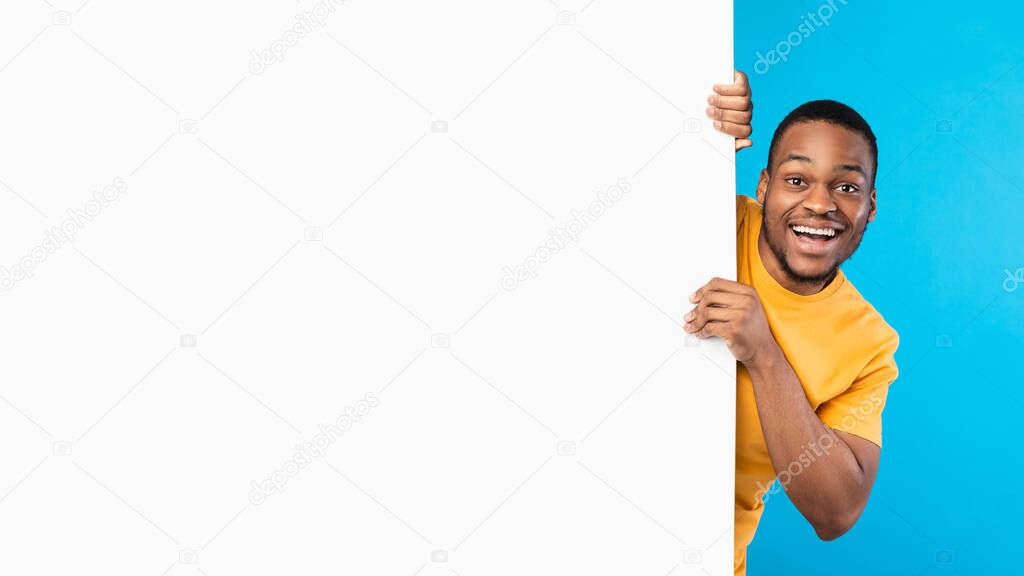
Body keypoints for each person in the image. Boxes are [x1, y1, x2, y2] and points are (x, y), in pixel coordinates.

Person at [704, 72, 899, 575]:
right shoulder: (705, 220)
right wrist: (693, 127)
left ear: (870, 208)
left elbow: (837, 512)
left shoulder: (869, 344)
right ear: (763, 184)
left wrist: (765, 356)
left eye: (847, 186)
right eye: (796, 180)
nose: (819, 203)